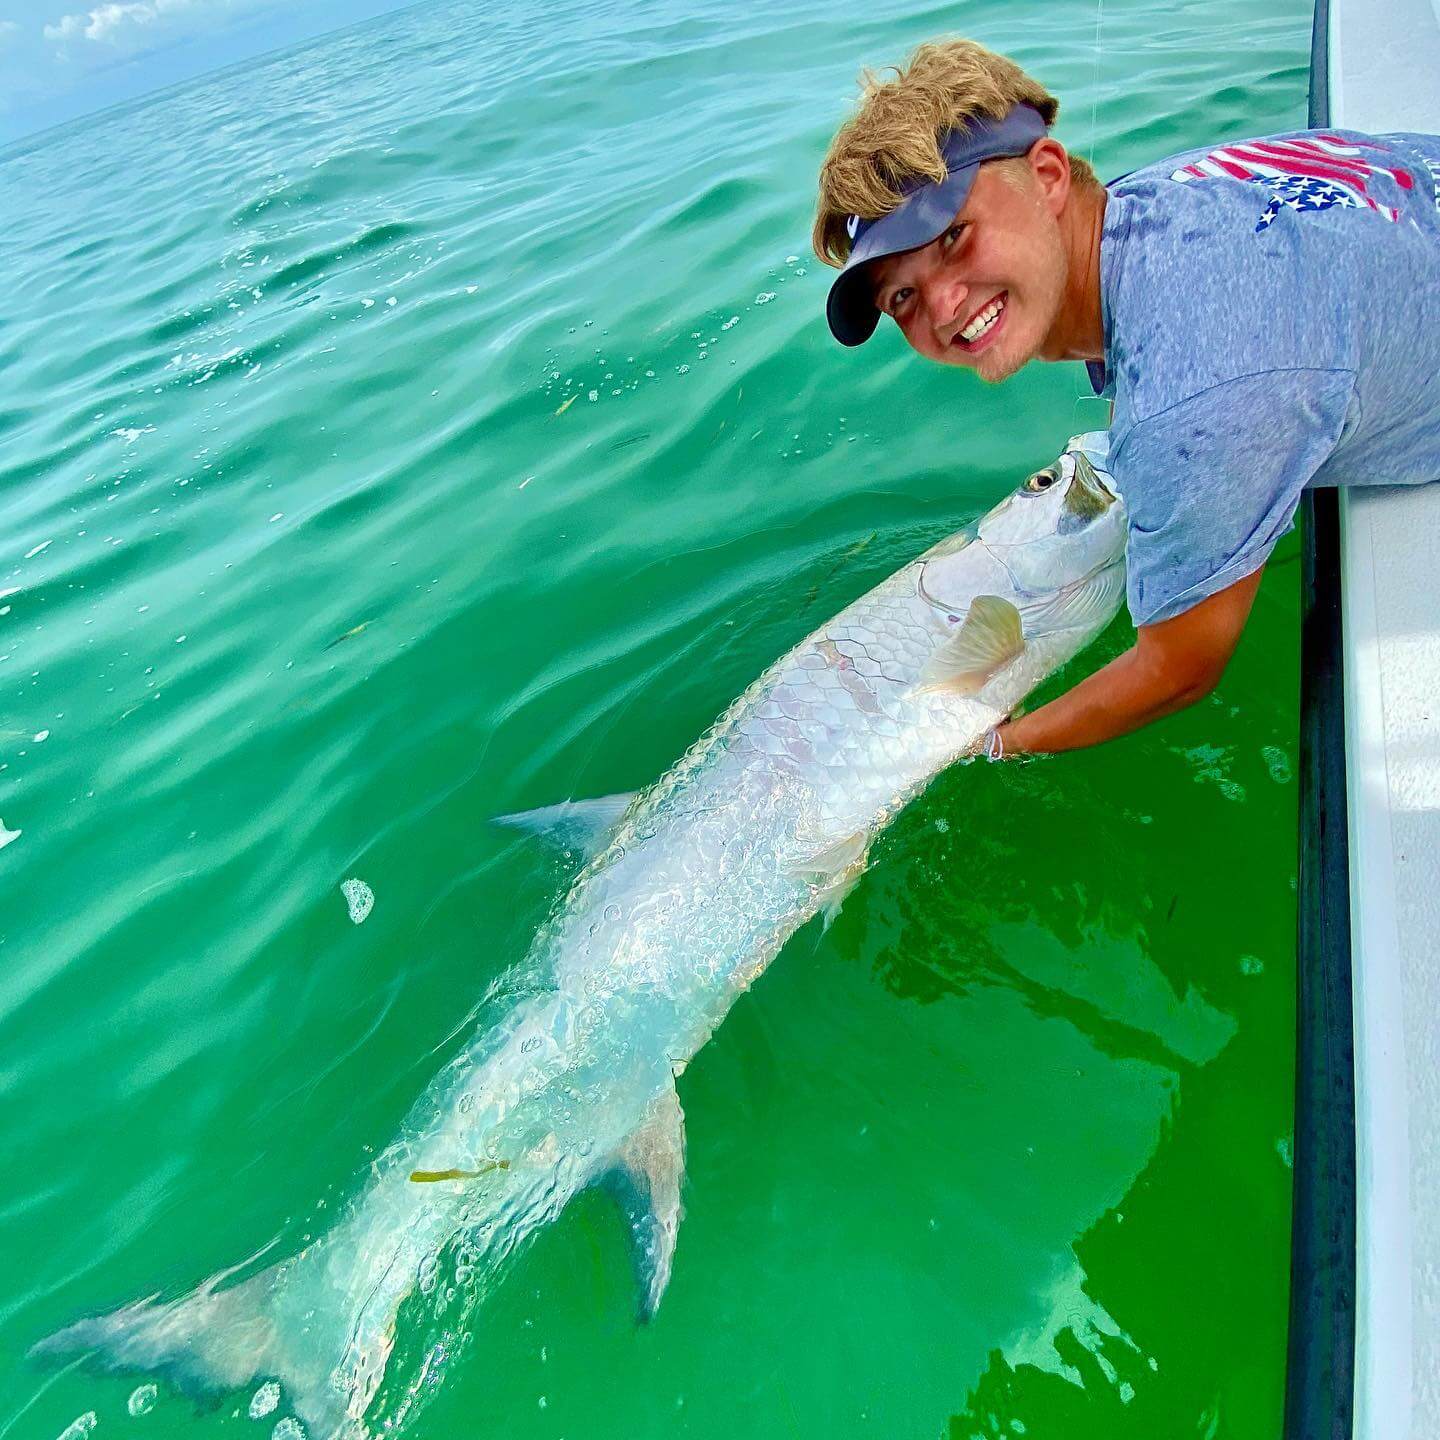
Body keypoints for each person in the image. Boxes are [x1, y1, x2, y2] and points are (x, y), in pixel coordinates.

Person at [814, 40, 1440, 757]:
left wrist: (997, 744)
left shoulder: (1192, 403)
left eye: (953, 236)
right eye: (902, 295)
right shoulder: (1160, 197)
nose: (946, 305)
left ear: (1048, 176)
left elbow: (1179, 670)